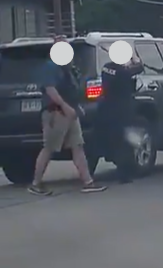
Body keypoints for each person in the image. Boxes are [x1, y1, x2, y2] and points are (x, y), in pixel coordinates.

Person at [29, 40, 107, 195]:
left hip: (70, 113)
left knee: (77, 146)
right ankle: (35, 184)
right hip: (55, 113)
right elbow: (50, 90)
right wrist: (65, 106)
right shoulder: (50, 67)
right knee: (49, 148)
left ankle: (88, 182)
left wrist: (76, 108)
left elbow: (71, 89)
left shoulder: (66, 68)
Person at [94, 53, 144, 183]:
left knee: (98, 142)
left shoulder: (106, 68)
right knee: (123, 143)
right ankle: (124, 175)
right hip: (121, 112)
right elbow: (139, 68)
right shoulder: (123, 72)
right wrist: (136, 60)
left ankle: (89, 172)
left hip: (105, 110)